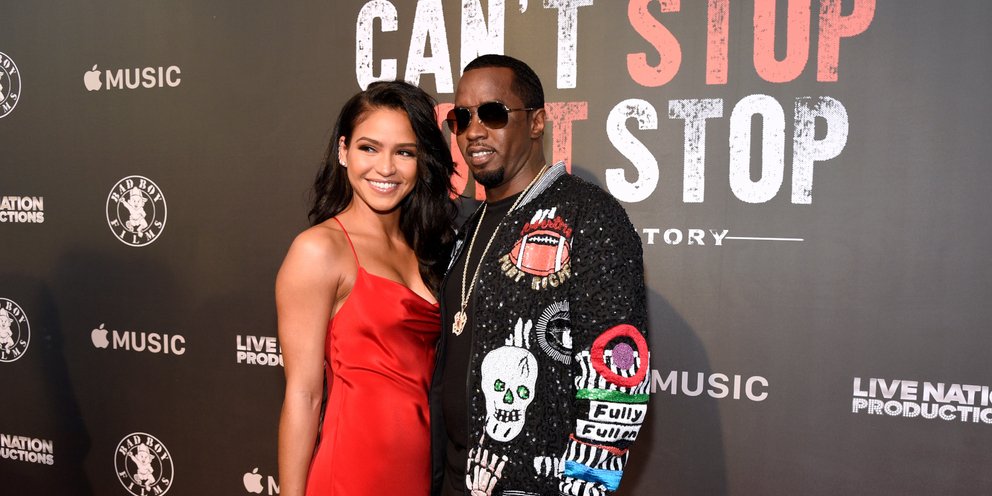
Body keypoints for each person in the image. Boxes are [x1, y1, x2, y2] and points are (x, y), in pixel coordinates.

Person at [430, 55, 650, 496]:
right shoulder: (465, 227)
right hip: (454, 480)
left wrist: (585, 489)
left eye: (493, 113)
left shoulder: (590, 216)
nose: (474, 131)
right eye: (462, 118)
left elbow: (618, 382)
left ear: (536, 122)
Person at [277, 80, 457, 496]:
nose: (386, 168)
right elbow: (304, 395)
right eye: (369, 148)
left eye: (405, 152)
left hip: (424, 471)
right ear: (343, 151)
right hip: (354, 472)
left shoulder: (430, 247)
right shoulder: (320, 250)